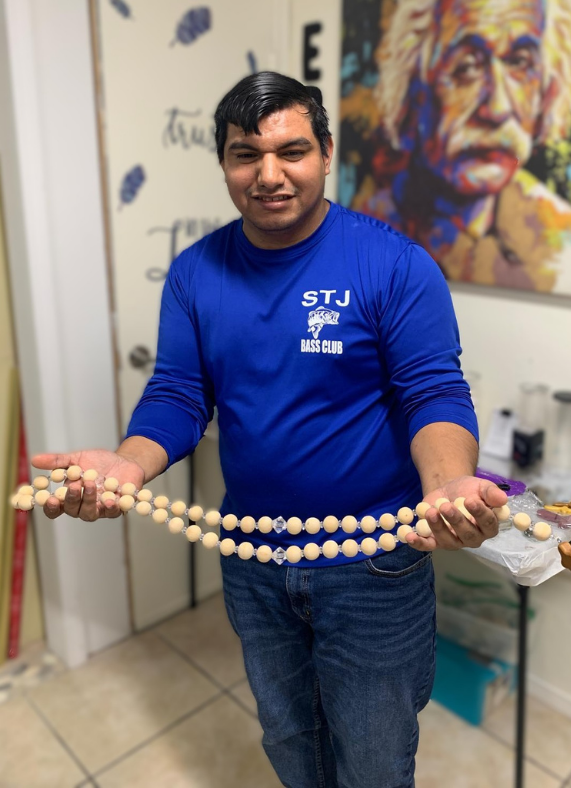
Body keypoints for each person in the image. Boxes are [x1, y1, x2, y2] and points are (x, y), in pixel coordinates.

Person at [33, 72, 507, 788]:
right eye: (245, 155)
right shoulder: (195, 274)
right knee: (290, 738)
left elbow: (431, 391)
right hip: (249, 555)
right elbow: (179, 393)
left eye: (291, 151)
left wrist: (446, 489)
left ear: (324, 151)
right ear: (224, 163)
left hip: (373, 560)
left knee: (374, 758)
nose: (269, 175)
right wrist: (129, 464)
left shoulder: (394, 265)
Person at [348, 0, 571, 294]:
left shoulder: (558, 239)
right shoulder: (361, 234)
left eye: (519, 62)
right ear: (412, 92)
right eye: (466, 67)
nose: (498, 108)